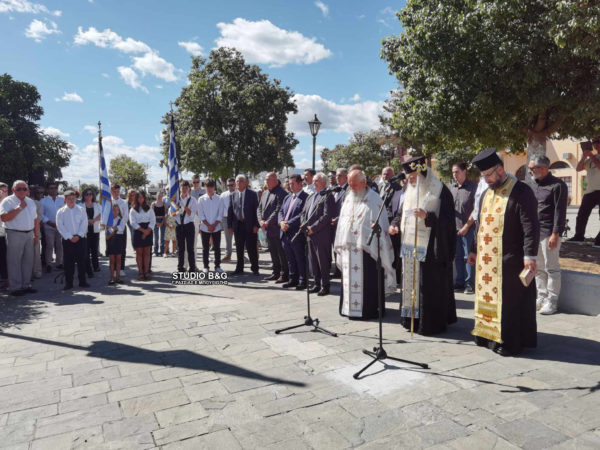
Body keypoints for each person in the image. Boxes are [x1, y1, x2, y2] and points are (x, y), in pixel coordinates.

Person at [467, 148, 540, 357]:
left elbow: (530, 227)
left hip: (510, 259)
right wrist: (473, 250)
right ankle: (487, 336)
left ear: (500, 170)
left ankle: (509, 342)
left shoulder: (521, 191)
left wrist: (530, 256)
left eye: (489, 175)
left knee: (509, 303)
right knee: (486, 300)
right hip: (486, 261)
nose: (487, 180)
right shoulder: (486, 194)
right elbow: (479, 226)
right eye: (483, 177)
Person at [391, 156, 457, 335]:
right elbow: (400, 213)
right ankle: (410, 318)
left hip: (431, 249)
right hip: (409, 247)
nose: (409, 181)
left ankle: (429, 323)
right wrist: (395, 224)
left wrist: (427, 217)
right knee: (410, 284)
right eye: (408, 178)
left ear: (422, 174)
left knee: (428, 287)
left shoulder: (440, 191)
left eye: (412, 177)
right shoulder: (410, 191)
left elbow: (449, 222)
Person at [335, 169, 395, 318]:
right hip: (349, 250)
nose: (352, 188)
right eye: (350, 184)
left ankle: (369, 310)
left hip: (368, 252)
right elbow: (342, 222)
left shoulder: (374, 199)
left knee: (368, 282)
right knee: (349, 281)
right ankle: (348, 309)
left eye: (354, 185)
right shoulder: (348, 198)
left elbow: (381, 224)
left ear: (363, 182)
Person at [528, 155, 568, 315]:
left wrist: (555, 234)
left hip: (549, 234)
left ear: (543, 168)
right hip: (534, 233)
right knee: (538, 268)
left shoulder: (558, 186)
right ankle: (541, 297)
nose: (530, 171)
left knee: (552, 269)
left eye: (532, 168)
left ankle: (552, 302)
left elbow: (560, 211)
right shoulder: (533, 185)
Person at [0, 180, 39, 296]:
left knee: (28, 260)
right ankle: (15, 287)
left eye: (24, 189)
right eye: (19, 189)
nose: (22, 191)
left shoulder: (31, 201)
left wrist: (36, 235)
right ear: (13, 190)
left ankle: (26, 285)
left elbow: (35, 219)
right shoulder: (7, 201)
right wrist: (19, 208)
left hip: (29, 234)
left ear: (27, 190)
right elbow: (4, 218)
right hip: (14, 233)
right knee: (14, 261)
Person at [301, 172, 335, 296]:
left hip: (321, 234)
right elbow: (303, 213)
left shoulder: (328, 196)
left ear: (324, 183)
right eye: (313, 181)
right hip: (309, 234)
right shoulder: (310, 197)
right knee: (313, 261)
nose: (314, 183)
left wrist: (313, 228)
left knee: (323, 262)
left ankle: (325, 285)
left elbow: (327, 216)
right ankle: (316, 284)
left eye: (317, 181)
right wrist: (304, 225)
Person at [449, 162, 477, 294]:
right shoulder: (452, 188)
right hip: (454, 228)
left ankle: (469, 284)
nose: (454, 175)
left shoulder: (473, 187)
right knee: (458, 256)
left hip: (469, 228)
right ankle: (459, 282)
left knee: (468, 257)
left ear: (464, 171)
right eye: (453, 172)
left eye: (457, 172)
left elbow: (476, 209)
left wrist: (467, 226)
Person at [568, 138, 600, 247]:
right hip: (590, 191)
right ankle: (579, 236)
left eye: (598, 144)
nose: (596, 146)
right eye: (595, 144)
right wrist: (584, 156)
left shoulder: (594, 158)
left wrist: (591, 156)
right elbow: (578, 168)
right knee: (582, 215)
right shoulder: (591, 159)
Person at [279, 174, 309, 289]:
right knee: (290, 258)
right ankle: (293, 279)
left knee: (299, 258)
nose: (290, 186)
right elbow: (281, 211)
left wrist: (288, 224)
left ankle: (303, 280)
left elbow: (302, 214)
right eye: (289, 184)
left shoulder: (306, 198)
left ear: (300, 184)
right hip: (285, 232)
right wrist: (281, 222)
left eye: (293, 184)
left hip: (296, 233)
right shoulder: (287, 197)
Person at [56, 190, 90, 291]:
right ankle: (69, 283)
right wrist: (69, 237)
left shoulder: (81, 210)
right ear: (65, 200)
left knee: (81, 261)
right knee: (68, 262)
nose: (71, 200)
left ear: (76, 199)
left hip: (80, 239)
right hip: (68, 240)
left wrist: (78, 235)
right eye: (69, 199)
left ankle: (82, 281)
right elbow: (60, 226)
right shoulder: (61, 212)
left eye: (73, 198)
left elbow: (84, 223)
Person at [258, 173, 289, 283]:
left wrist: (267, 222)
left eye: (268, 179)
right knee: (273, 252)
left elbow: (278, 210)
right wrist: (260, 220)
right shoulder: (265, 192)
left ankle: (284, 274)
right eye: (265, 179)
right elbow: (260, 208)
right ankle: (275, 273)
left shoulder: (282, 193)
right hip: (267, 229)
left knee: (281, 253)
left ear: (275, 180)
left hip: (277, 228)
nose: (266, 181)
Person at [228, 174, 260, 275]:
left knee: (251, 248)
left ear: (246, 183)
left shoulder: (252, 194)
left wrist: (257, 225)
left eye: (241, 181)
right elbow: (230, 211)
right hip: (238, 225)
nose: (238, 183)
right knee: (239, 248)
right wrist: (229, 226)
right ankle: (239, 268)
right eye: (237, 181)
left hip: (250, 225)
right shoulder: (233, 195)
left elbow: (257, 211)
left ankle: (255, 268)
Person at [380, 167, 404, 285]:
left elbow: (399, 207)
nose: (385, 176)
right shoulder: (382, 188)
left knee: (395, 251)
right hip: (383, 223)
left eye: (388, 174)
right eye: (384, 174)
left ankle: (397, 277)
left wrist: (394, 223)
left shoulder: (398, 189)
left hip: (394, 224)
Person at [198, 179, 225, 273]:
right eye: (207, 186)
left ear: (214, 187)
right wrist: (208, 225)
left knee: (217, 247)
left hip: (216, 227)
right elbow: (201, 214)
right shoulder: (201, 199)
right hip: (205, 227)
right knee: (205, 248)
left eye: (211, 186)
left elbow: (220, 213)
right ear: (205, 187)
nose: (209, 189)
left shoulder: (219, 198)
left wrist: (214, 225)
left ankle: (217, 266)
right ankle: (206, 266)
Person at [129, 191, 155, 281]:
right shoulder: (133, 209)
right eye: (139, 197)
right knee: (139, 253)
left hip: (148, 230)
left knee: (147, 253)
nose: (141, 199)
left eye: (142, 197)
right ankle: (141, 272)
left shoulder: (149, 208)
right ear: (136, 198)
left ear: (144, 198)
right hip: (138, 231)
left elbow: (153, 220)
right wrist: (143, 231)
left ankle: (146, 272)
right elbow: (133, 222)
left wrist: (147, 231)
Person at [174, 180, 199, 272]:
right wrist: (176, 210)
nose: (184, 189)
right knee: (180, 249)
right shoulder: (176, 200)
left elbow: (191, 215)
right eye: (182, 188)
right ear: (180, 189)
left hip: (189, 226)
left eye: (186, 188)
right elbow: (171, 213)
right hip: (179, 226)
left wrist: (183, 206)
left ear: (189, 189)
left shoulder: (192, 200)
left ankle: (192, 268)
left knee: (190, 248)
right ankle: (180, 267)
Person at [40, 182, 64, 272]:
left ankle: (59, 263)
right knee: (49, 246)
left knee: (60, 245)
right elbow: (41, 214)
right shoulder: (43, 201)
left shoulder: (62, 200)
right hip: (48, 227)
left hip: (60, 227)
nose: (53, 190)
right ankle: (49, 264)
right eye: (51, 188)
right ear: (47, 190)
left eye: (55, 188)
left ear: (57, 189)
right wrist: (50, 223)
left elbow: (64, 213)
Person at [330, 168, 349, 279]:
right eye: (336, 176)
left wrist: (337, 219)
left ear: (346, 177)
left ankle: (343, 270)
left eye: (340, 176)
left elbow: (346, 209)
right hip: (332, 225)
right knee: (335, 247)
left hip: (342, 224)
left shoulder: (348, 190)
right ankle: (337, 270)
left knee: (342, 248)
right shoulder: (334, 189)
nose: (337, 178)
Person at [107, 184, 128, 276]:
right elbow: (105, 216)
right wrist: (111, 226)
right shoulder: (107, 202)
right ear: (111, 191)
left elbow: (125, 216)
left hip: (121, 228)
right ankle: (113, 269)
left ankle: (121, 268)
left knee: (121, 248)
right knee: (111, 249)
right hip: (109, 229)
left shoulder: (123, 202)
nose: (116, 193)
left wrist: (119, 227)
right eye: (114, 191)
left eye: (118, 191)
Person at [82, 188, 101, 277]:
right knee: (85, 251)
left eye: (90, 194)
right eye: (87, 194)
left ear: (93, 196)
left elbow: (102, 214)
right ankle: (87, 268)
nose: (89, 196)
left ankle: (96, 266)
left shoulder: (97, 205)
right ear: (84, 196)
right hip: (84, 231)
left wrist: (94, 220)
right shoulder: (80, 206)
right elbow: (79, 217)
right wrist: (87, 220)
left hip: (95, 230)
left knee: (94, 250)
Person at [106, 203, 126, 285]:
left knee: (118, 260)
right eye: (113, 210)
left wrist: (114, 227)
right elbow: (107, 230)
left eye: (117, 210)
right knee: (112, 260)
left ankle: (117, 278)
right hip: (111, 241)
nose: (115, 211)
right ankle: (111, 278)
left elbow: (121, 229)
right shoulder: (108, 220)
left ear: (119, 211)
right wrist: (113, 228)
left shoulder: (121, 219)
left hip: (118, 240)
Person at [28, 185, 44, 279]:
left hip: (35, 230)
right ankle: (28, 273)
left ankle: (37, 271)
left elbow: (39, 218)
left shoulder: (37, 203)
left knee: (36, 253)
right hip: (22, 232)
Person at [220, 178, 236, 262]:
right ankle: (228, 255)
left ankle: (241, 255)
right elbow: (220, 207)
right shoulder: (223, 195)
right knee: (228, 238)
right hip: (226, 218)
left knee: (239, 238)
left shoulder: (239, 194)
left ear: (235, 185)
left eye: (231, 185)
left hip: (237, 219)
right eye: (228, 185)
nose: (230, 187)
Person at [0, 182, 10, 290]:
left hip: (7, 234)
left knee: (6, 259)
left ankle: (7, 280)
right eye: (1, 191)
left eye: (6, 191)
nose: (3, 193)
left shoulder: (10, 203)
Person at [151, 191, 166, 257]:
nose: (159, 197)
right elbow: (151, 215)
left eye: (160, 196)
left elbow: (166, 214)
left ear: (162, 196)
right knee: (156, 237)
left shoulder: (164, 204)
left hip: (162, 220)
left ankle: (162, 251)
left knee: (162, 237)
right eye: (158, 196)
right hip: (155, 220)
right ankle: (155, 251)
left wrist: (162, 222)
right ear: (156, 196)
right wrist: (156, 222)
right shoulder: (153, 204)